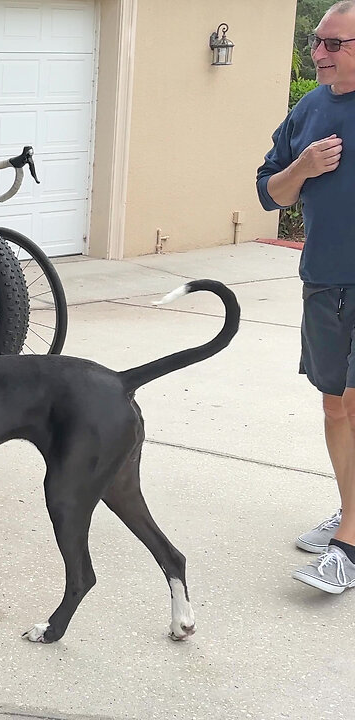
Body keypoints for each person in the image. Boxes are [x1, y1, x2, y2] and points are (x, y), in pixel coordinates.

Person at [257, 0, 355, 594]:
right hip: (323, 281)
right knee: (334, 406)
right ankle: (351, 510)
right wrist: (303, 165)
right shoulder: (310, 109)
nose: (317, 52)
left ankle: (350, 541)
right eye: (316, 41)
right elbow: (270, 193)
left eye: (332, 43)